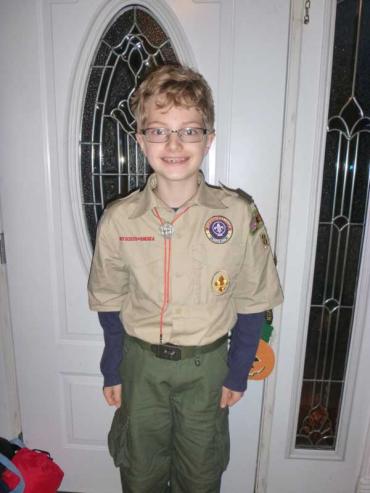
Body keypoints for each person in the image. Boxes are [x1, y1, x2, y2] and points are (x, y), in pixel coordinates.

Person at [88, 64, 283, 493]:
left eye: (189, 131)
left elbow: (253, 300)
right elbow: (108, 299)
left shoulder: (237, 214)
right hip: (140, 368)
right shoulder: (120, 220)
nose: (174, 144)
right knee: (140, 473)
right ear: (140, 140)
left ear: (208, 139)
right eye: (159, 131)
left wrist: (236, 372)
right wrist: (113, 368)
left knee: (201, 475)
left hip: (207, 370)